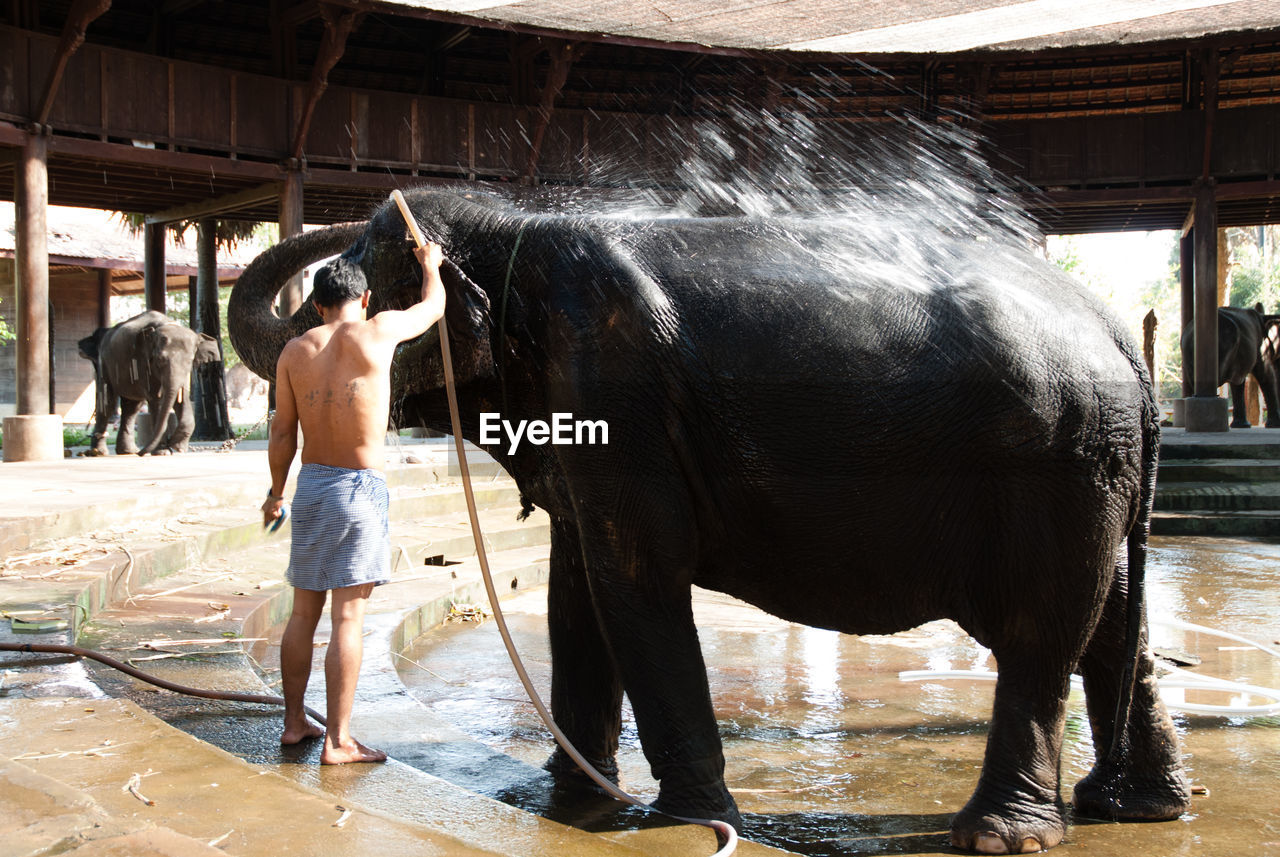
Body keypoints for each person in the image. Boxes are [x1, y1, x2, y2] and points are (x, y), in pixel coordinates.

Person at [262, 243, 446, 764]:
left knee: (303, 613)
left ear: (318, 305)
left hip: (313, 485)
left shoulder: (294, 352)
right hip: (360, 488)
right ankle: (338, 740)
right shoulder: (377, 331)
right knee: (347, 618)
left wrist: (276, 494)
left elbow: (282, 435)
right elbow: (433, 308)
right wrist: (430, 266)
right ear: (364, 298)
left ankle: (295, 722)